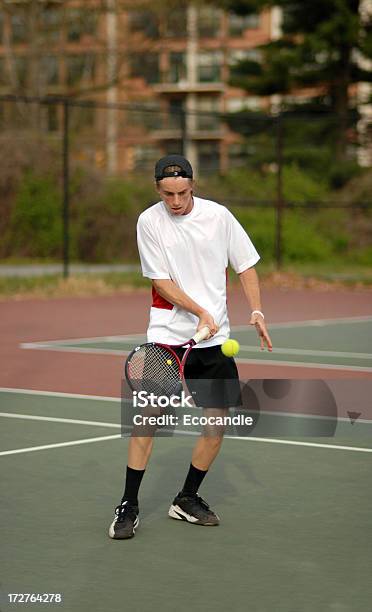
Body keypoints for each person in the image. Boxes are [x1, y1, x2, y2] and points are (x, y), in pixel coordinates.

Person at [109, 154, 272, 540]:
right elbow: (161, 282)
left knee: (216, 422)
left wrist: (257, 311)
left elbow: (245, 264)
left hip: (213, 341)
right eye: (168, 194)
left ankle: (186, 498)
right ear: (157, 190)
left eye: (182, 192)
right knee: (147, 422)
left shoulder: (219, 217)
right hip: (167, 337)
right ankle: (128, 505)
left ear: (193, 185)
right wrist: (200, 310)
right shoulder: (149, 222)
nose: (176, 201)